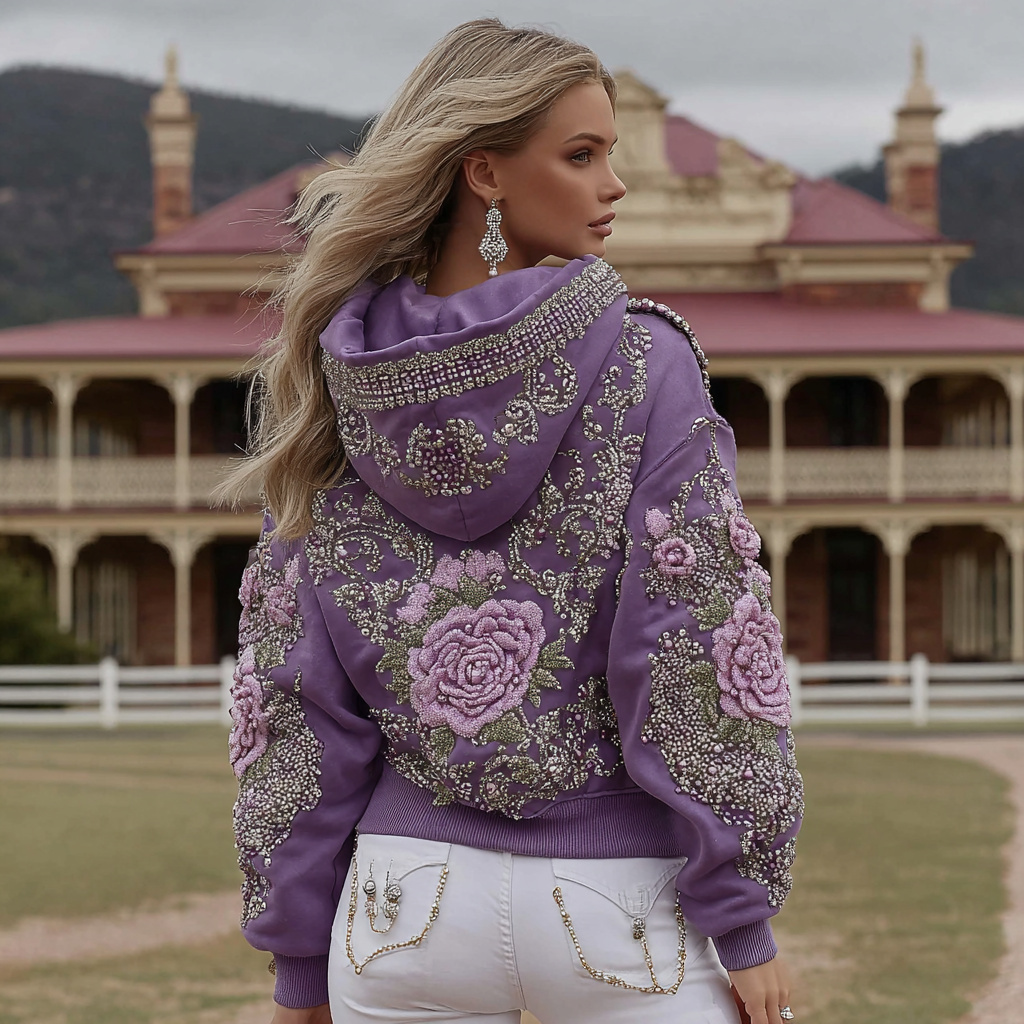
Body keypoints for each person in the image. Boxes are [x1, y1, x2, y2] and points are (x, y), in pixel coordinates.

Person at [219, 18, 804, 1024]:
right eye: (581, 155)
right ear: (483, 172)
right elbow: (695, 637)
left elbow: (293, 687)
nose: (614, 184)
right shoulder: (645, 361)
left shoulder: (334, 376)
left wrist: (298, 957)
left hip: (399, 908)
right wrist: (742, 917)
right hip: (619, 906)